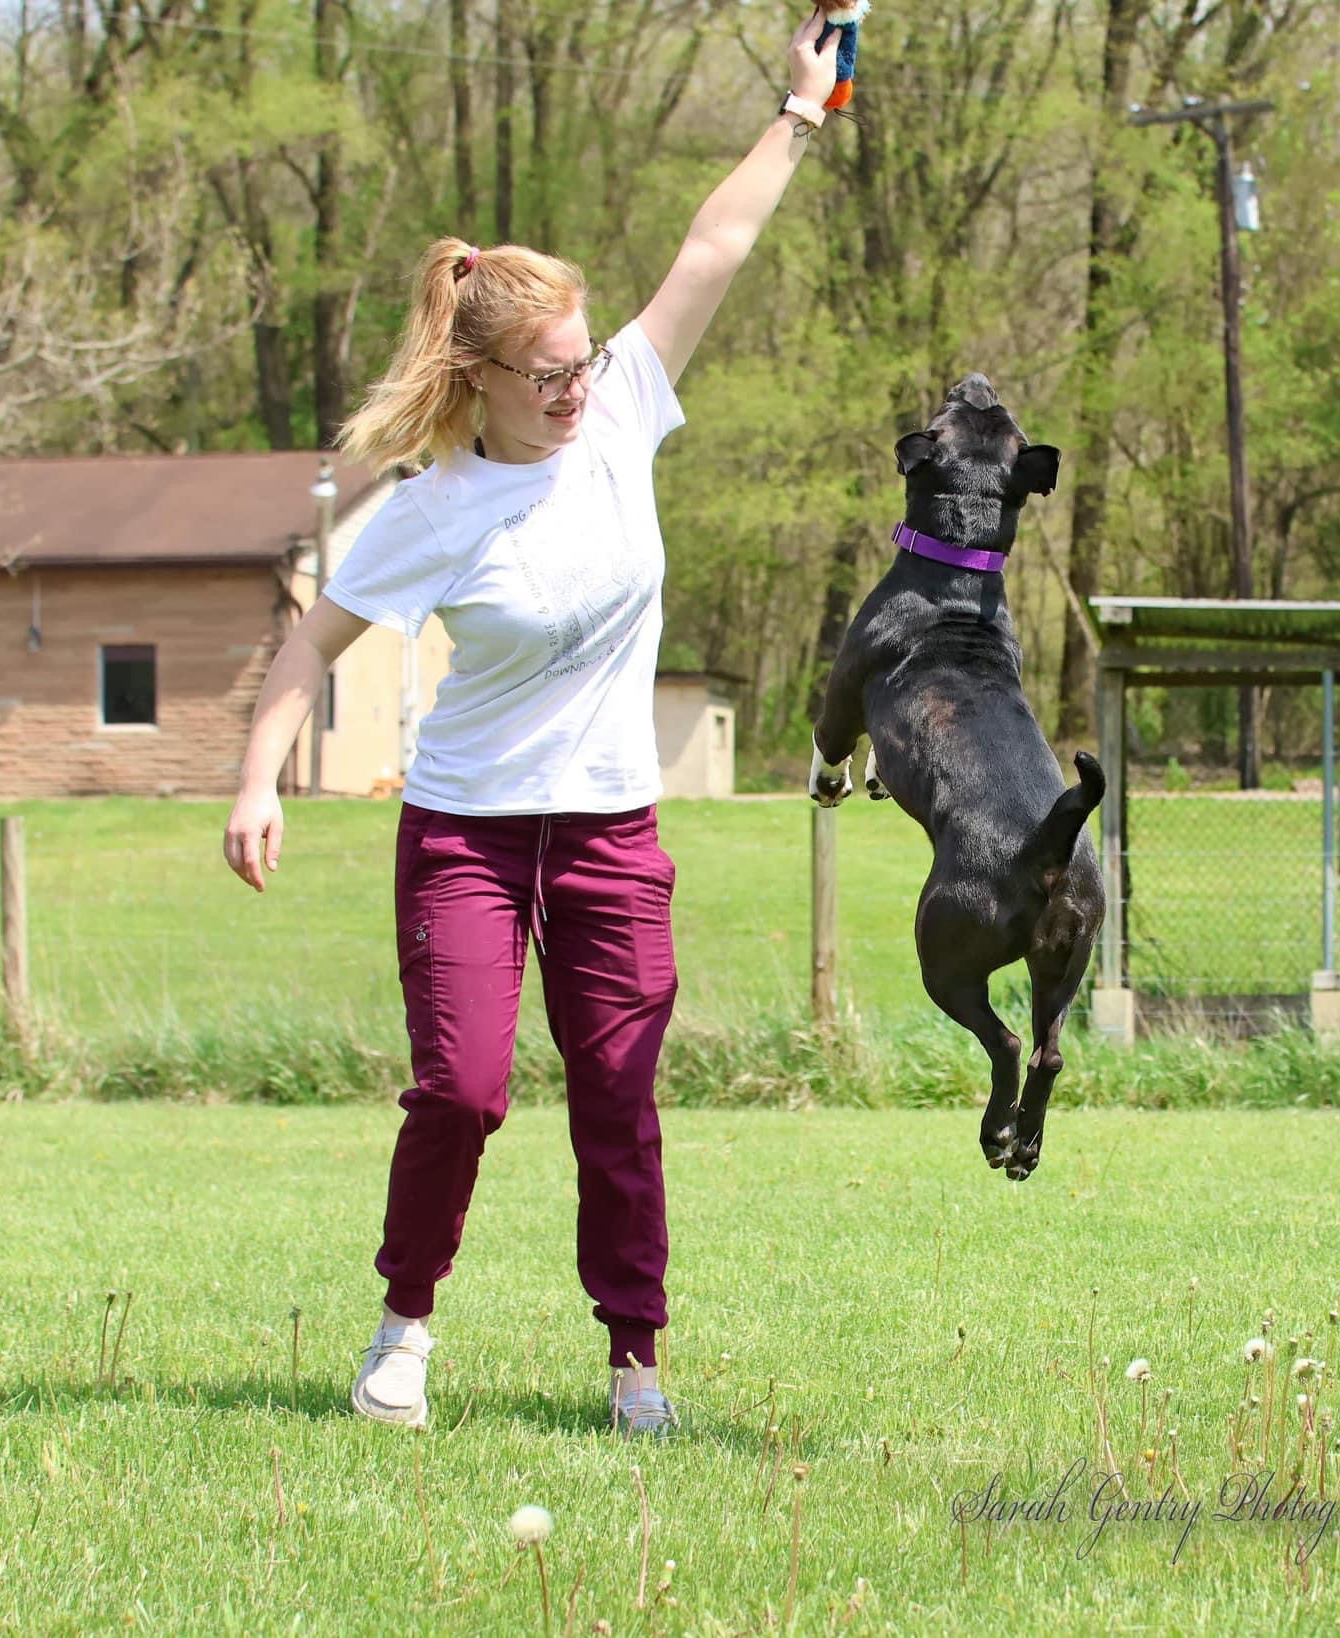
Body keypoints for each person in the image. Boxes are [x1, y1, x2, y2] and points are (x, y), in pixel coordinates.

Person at [221, 9, 844, 1438]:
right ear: (482, 379)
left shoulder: (624, 408)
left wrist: (799, 111)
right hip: (467, 838)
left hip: (614, 825)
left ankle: (635, 1363)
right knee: (464, 1084)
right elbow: (309, 642)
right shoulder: (431, 509)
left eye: (582, 358)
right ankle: (404, 1325)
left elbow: (713, 249)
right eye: (550, 371)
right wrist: (258, 781)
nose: (579, 384)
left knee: (619, 1091)